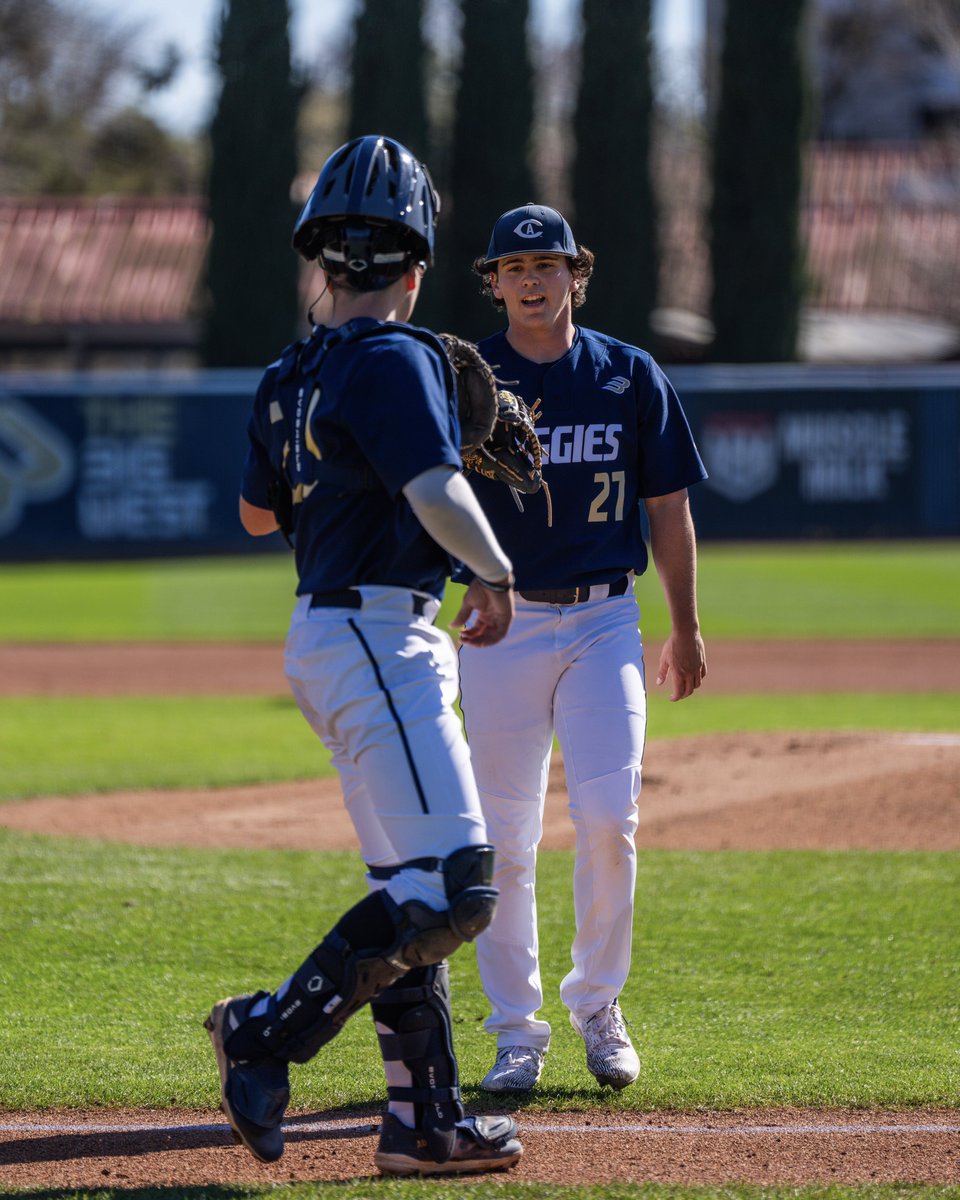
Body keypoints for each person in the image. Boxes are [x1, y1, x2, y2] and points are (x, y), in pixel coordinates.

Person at [203, 136, 524, 1177]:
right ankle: (264, 1033)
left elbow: (259, 514)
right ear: (416, 266)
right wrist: (497, 571)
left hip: (328, 633)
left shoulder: (288, 372)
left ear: (319, 261)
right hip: (379, 634)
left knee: (409, 885)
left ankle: (423, 1124)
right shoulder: (392, 355)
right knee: (459, 891)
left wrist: (342, 466)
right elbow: (435, 492)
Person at [456, 204, 708, 1093]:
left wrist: (685, 624)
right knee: (506, 837)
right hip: (501, 623)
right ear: (493, 282)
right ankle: (516, 1029)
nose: (529, 279)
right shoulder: (468, 379)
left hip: (605, 619)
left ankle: (597, 1004)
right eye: (512, 267)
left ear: (576, 274)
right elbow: (421, 495)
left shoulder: (626, 374)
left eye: (546, 264)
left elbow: (667, 506)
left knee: (609, 820)